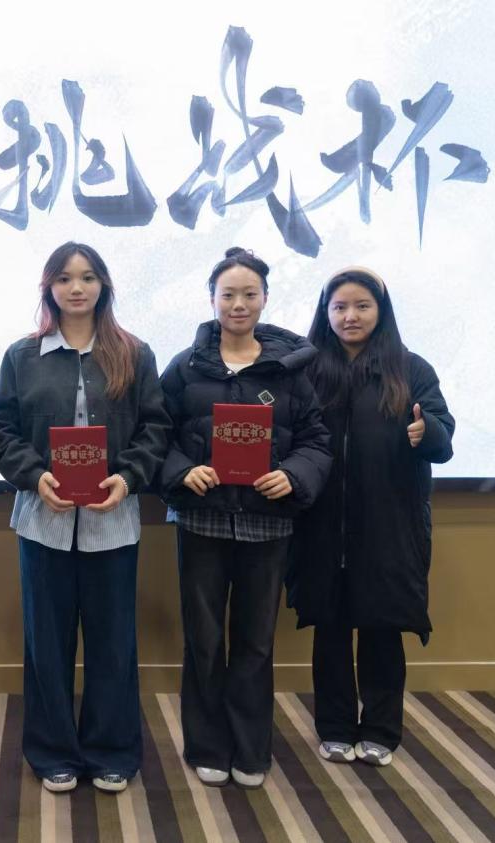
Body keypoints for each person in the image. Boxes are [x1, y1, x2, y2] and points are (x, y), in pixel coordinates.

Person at [0, 242, 170, 795]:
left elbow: (156, 427)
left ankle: (112, 750)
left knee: (113, 642)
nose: (76, 288)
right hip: (43, 520)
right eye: (64, 278)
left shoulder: (134, 353)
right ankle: (53, 752)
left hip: (113, 521)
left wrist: (128, 477)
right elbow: (0, 428)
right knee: (47, 643)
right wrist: (34, 475)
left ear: (104, 286)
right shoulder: (23, 355)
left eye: (88, 277)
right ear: (49, 287)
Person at [158, 247, 332, 788]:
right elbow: (154, 434)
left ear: (265, 298)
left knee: (256, 642)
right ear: (212, 299)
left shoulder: (291, 369)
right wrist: (183, 470)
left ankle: (251, 750)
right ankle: (208, 746)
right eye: (228, 294)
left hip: (267, 523)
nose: (238, 303)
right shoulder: (185, 366)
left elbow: (316, 440)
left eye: (249, 294)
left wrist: (294, 476)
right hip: (202, 523)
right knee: (205, 640)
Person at [289, 267, 455, 767]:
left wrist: (427, 433)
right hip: (322, 525)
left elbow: (444, 439)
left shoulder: (411, 369)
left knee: (382, 629)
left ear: (381, 312)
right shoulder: (306, 369)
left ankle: (381, 729)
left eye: (362, 306)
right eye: (339, 307)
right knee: (331, 630)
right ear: (325, 313)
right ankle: (335, 727)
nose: (350, 316)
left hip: (389, 527)